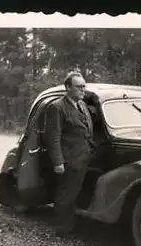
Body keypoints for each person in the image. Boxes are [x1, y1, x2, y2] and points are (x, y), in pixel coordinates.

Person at [44, 72, 94, 235]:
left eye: (84, 87)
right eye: (78, 87)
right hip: (69, 159)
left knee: (76, 192)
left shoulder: (83, 106)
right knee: (66, 194)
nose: (82, 90)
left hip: (84, 157)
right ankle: (61, 227)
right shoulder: (57, 107)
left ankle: (72, 224)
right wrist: (58, 162)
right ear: (67, 88)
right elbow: (53, 137)